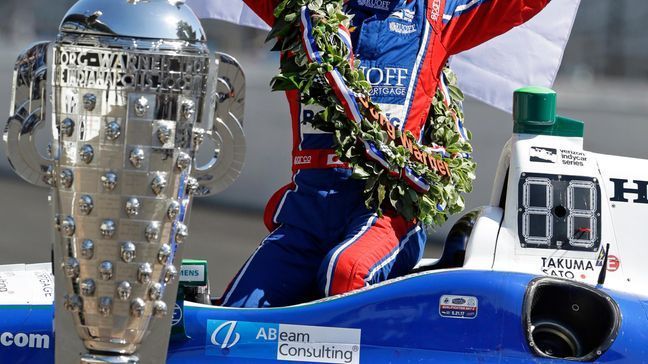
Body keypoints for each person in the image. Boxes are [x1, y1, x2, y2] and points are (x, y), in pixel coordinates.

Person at [220, 0, 551, 308]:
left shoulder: (438, 14)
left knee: (346, 271)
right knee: (229, 319)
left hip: (387, 214)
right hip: (306, 214)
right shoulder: (306, 6)